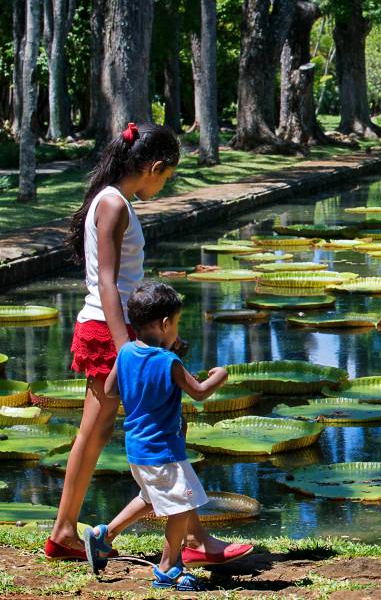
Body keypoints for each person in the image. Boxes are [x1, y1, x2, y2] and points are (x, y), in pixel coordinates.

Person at [48, 122, 248, 568]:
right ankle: (188, 540)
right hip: (112, 331)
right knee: (140, 429)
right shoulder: (113, 204)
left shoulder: (112, 199)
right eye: (167, 176)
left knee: (118, 430)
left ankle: (70, 531)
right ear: (154, 167)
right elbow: (107, 282)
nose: (164, 185)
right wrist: (128, 349)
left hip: (117, 328)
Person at [82, 282, 239, 590]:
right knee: (182, 504)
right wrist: (221, 376)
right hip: (163, 450)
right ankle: (168, 567)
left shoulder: (126, 352)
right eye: (176, 323)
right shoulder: (169, 362)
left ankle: (103, 536)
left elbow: (111, 390)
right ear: (165, 324)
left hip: (137, 448)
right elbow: (199, 392)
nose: (176, 330)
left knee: (150, 497)